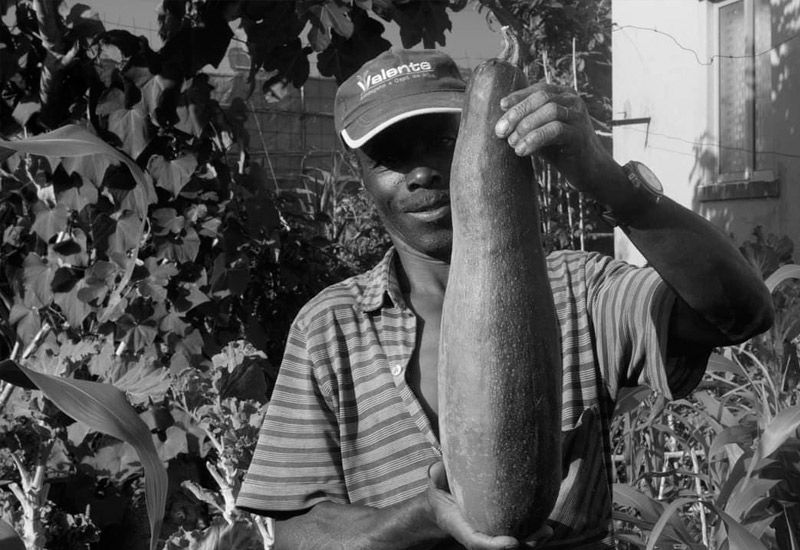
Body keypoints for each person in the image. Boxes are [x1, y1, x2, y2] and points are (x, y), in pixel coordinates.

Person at [236, 49, 773, 549]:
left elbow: (739, 315)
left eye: (442, 142)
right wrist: (422, 515)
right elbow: (296, 534)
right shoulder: (328, 328)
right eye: (390, 157)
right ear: (360, 176)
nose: (421, 172)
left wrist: (605, 178)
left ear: (479, 140)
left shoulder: (578, 289)